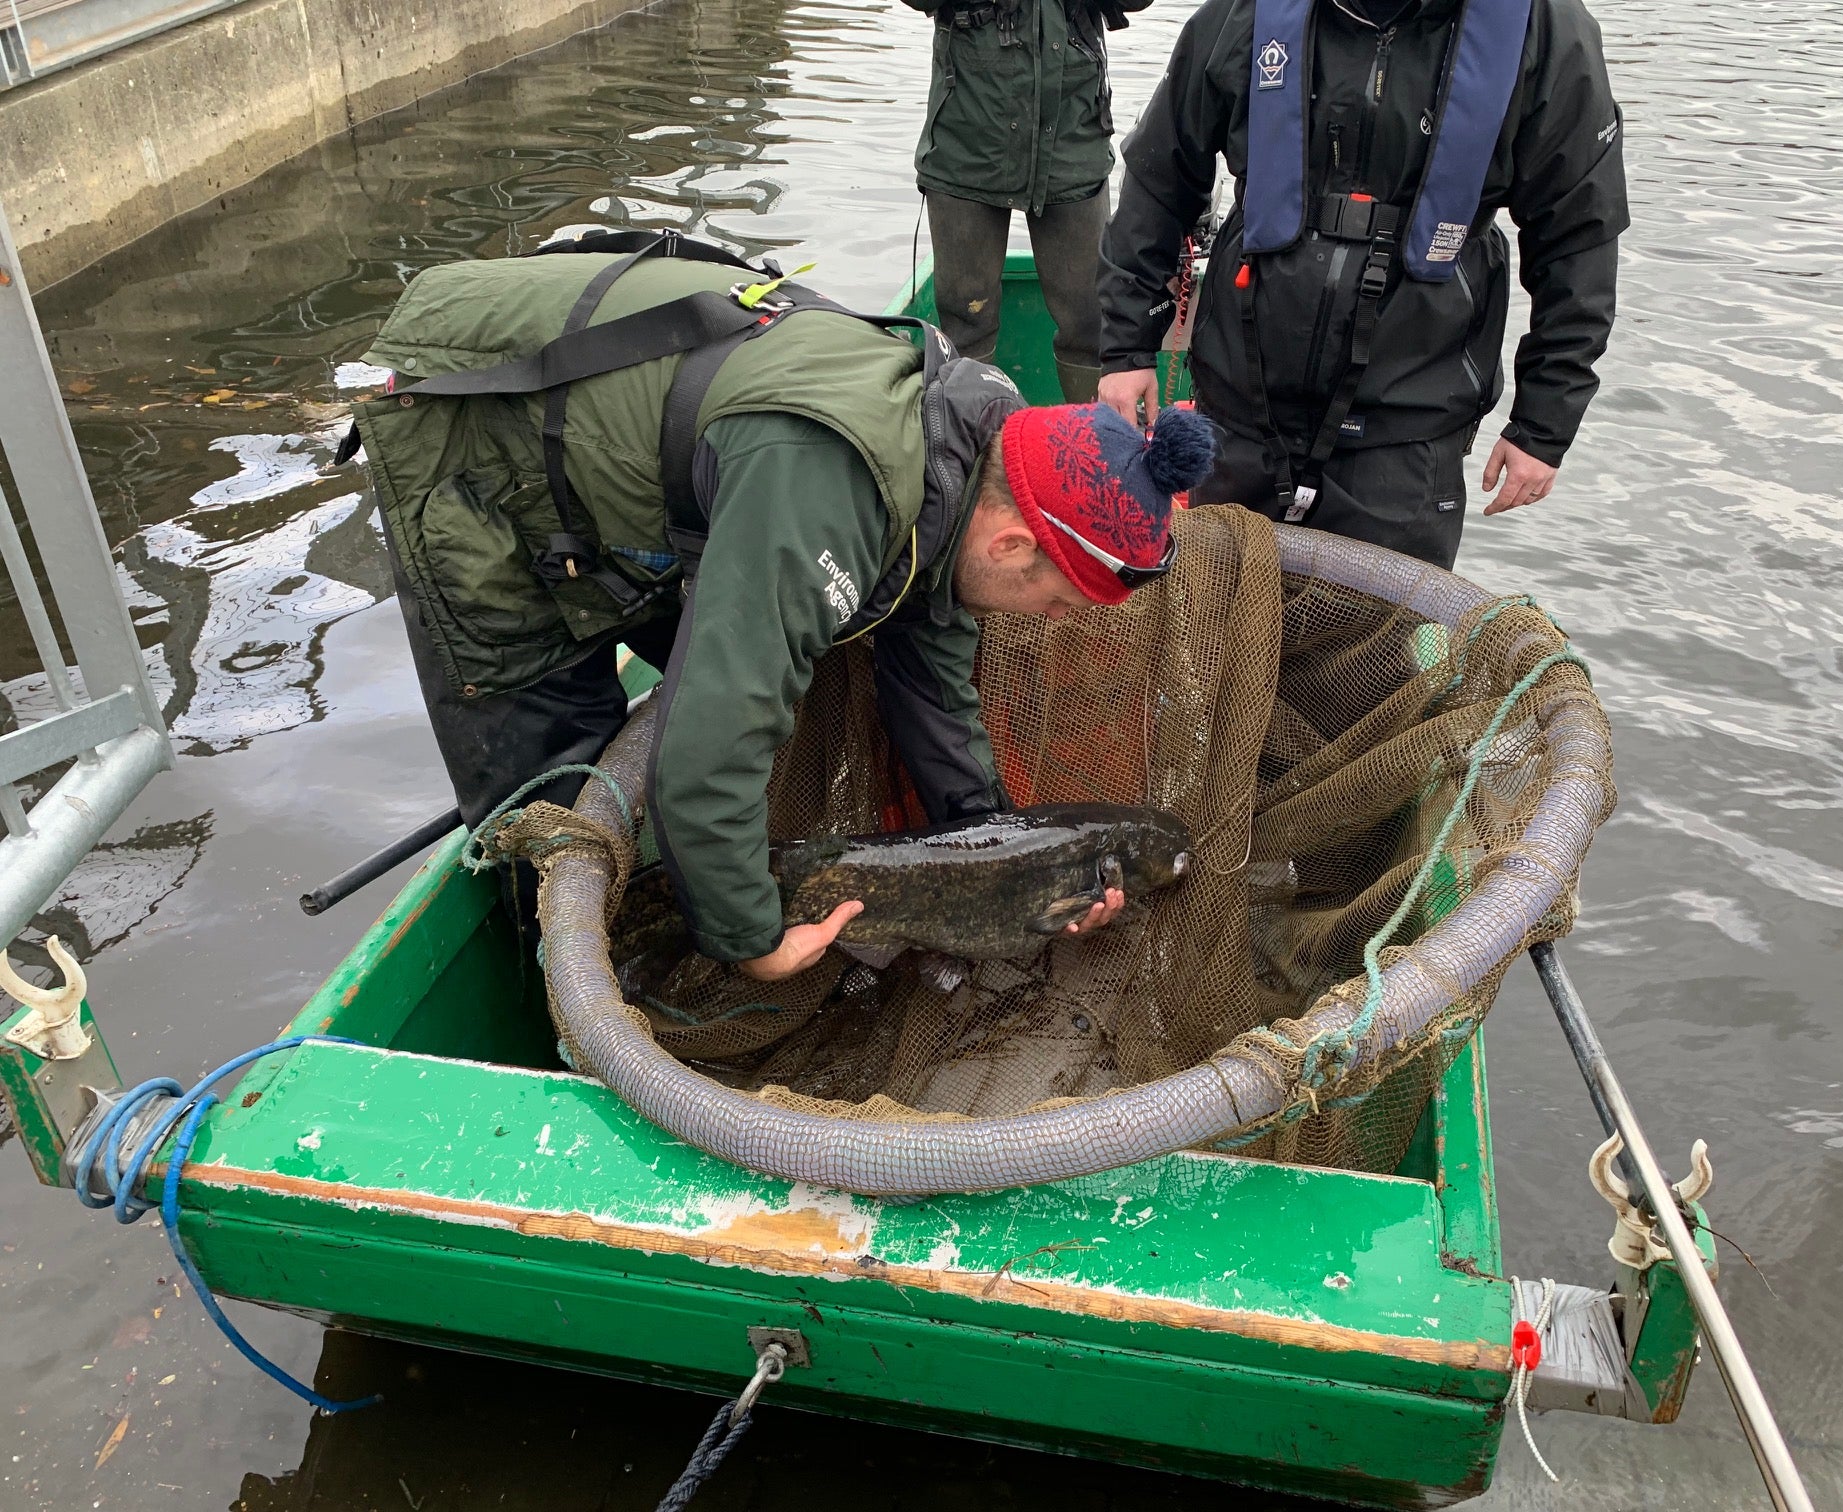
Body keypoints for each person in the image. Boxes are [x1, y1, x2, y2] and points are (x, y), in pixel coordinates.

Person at [346, 232, 1216, 983]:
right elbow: (710, 739)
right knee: (563, 794)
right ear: (1013, 545)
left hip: (644, 462)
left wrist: (993, 852)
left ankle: (674, 903)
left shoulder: (978, 447)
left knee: (741, 674)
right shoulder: (831, 484)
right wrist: (751, 940)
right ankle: (563, 994)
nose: (1054, 623)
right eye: (1061, 603)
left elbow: (935, 679)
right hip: (466, 423)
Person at [1097, 0, 1628, 568]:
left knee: (1383, 646)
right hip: (1242, 404)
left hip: (1408, 420)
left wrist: (1542, 427)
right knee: (1217, 626)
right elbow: (1159, 181)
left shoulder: (1542, 30)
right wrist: (1126, 349)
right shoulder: (1243, 15)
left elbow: (1578, 240)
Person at [906, 0, 1151, 401]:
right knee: (965, 325)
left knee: (1093, 325)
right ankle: (967, 454)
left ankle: (1092, 452)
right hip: (967, 140)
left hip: (1073, 140)